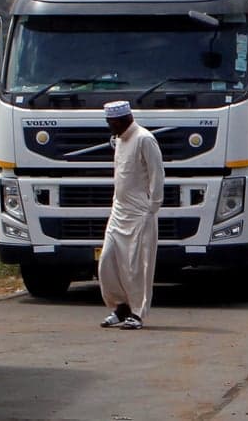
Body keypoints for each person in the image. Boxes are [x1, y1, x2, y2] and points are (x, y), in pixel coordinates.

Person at [97, 101, 165, 330]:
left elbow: (157, 173)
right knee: (108, 261)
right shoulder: (119, 140)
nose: (109, 127)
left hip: (140, 213)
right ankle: (120, 307)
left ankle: (137, 313)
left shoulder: (144, 139)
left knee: (137, 266)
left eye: (111, 122)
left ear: (123, 119)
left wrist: (152, 208)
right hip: (119, 210)